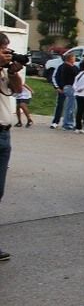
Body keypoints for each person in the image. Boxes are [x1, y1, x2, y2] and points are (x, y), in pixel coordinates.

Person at [0, 32, 24, 261]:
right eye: (3, 50)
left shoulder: (5, 70)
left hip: (4, 134)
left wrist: (13, 71)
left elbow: (17, 89)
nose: (6, 54)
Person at [55, 52, 79, 131]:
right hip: (69, 87)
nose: (75, 60)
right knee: (70, 106)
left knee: (72, 106)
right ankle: (68, 123)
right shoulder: (67, 67)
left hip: (69, 87)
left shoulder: (70, 67)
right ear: (70, 59)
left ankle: (69, 122)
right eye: (74, 58)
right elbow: (76, 74)